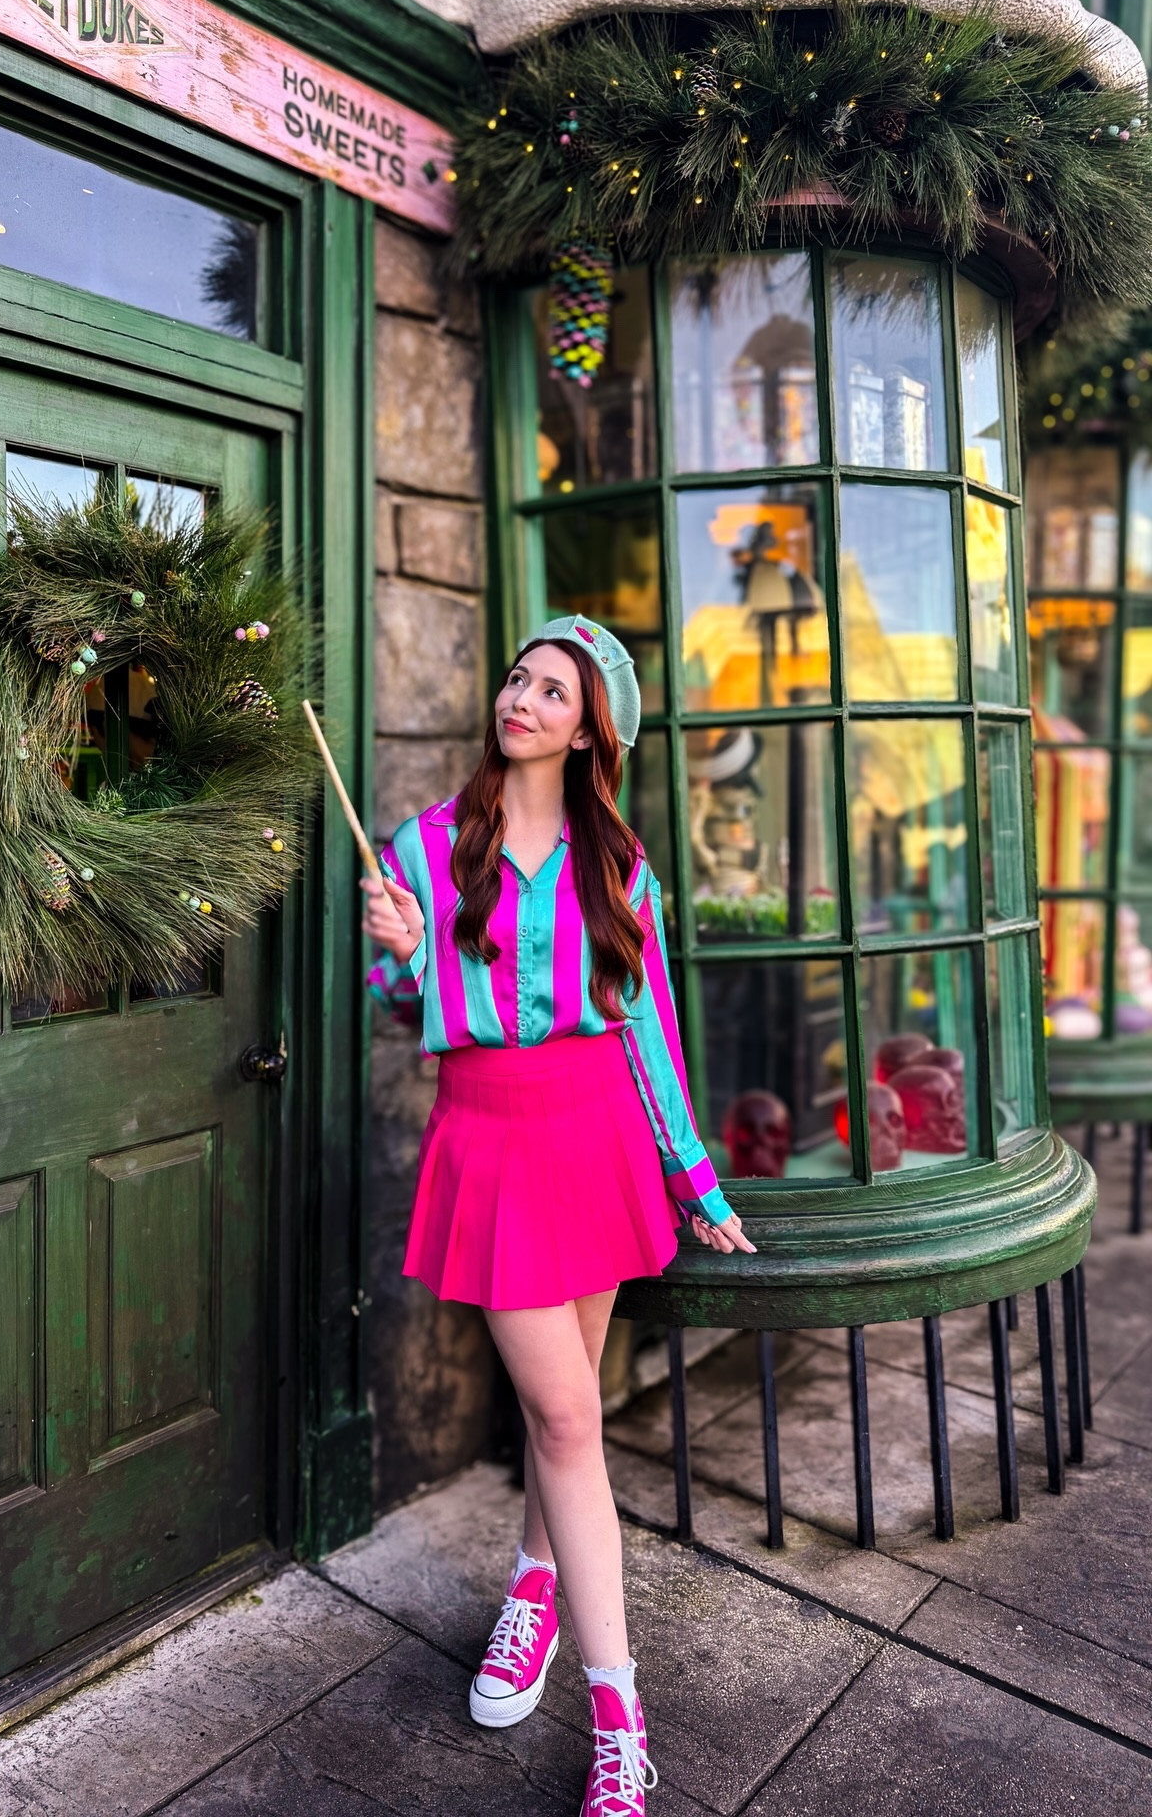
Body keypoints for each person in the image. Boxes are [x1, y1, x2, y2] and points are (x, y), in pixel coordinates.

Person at [363, 613, 755, 1817]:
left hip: (599, 1142)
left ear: (590, 731)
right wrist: (399, 950)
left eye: (551, 690)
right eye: (519, 678)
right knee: (572, 1424)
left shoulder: (618, 864)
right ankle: (620, 1722)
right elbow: (400, 1005)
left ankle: (534, 1584)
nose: (520, 698)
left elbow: (649, 1030)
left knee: (562, 1409)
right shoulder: (423, 847)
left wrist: (695, 1178)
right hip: (492, 1140)